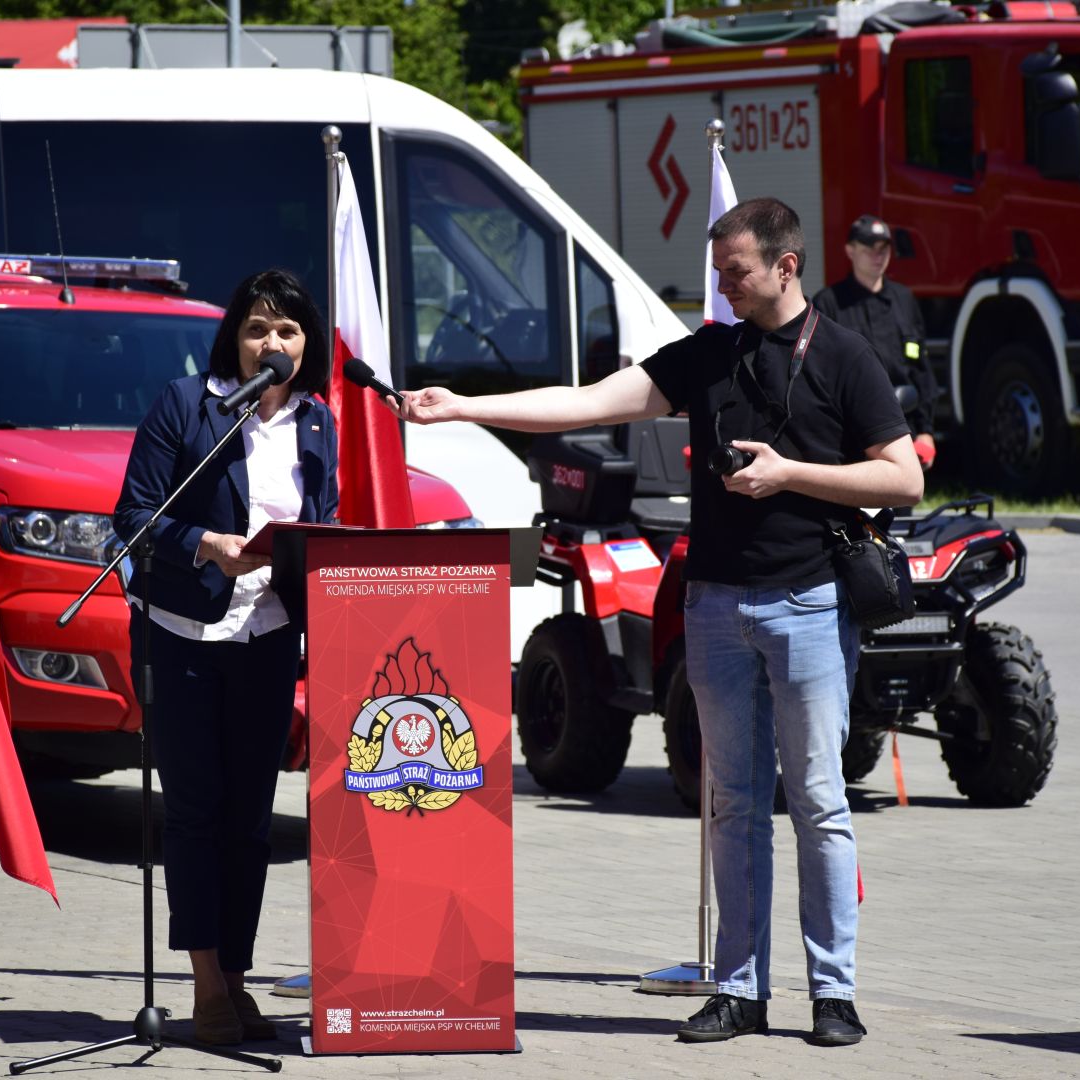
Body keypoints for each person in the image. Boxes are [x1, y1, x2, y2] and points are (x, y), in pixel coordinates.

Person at [397, 198, 923, 1046]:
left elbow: (902, 480)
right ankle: (740, 991)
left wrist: (789, 473)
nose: (722, 286)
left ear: (785, 266)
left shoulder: (846, 357)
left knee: (819, 801)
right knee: (733, 805)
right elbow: (588, 402)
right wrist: (464, 406)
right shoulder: (709, 352)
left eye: (735, 272)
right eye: (719, 272)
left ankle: (834, 994)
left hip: (809, 606)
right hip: (714, 608)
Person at [113, 268, 338, 1045]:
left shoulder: (317, 423)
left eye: (287, 330)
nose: (271, 342)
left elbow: (323, 522)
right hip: (183, 633)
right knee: (197, 811)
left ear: (306, 345)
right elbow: (134, 516)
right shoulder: (188, 404)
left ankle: (238, 981)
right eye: (257, 328)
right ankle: (206, 984)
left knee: (249, 821)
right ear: (235, 340)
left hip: (268, 637)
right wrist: (206, 544)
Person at [813, 214, 939, 471]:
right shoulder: (828, 303)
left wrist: (926, 431)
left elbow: (921, 369)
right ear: (850, 251)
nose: (878, 255)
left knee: (903, 496)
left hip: (903, 428)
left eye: (884, 248)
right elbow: (820, 377)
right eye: (869, 248)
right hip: (852, 435)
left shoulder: (904, 299)